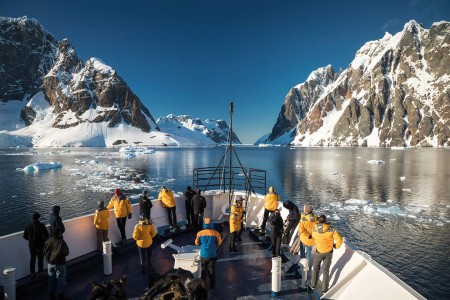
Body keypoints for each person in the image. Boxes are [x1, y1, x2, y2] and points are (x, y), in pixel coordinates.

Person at [308, 215, 343, 294]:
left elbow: (312, 236)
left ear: (319, 221)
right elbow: (339, 239)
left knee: (316, 268)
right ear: (325, 220)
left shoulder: (314, 229)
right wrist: (335, 246)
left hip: (319, 251)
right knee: (326, 270)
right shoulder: (332, 229)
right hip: (328, 252)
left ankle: (312, 285)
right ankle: (324, 290)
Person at [195, 218, 222, 289]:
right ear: (211, 224)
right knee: (212, 269)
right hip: (213, 255)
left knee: (203, 270)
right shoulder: (216, 233)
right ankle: (212, 285)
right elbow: (219, 243)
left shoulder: (199, 233)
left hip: (203, 255)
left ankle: (203, 285)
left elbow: (197, 243)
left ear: (204, 224)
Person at [44, 227, 69, 300]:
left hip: (50, 264)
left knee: (51, 279)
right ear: (59, 234)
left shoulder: (47, 241)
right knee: (61, 279)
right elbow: (66, 252)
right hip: (60, 264)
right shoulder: (61, 242)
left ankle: (51, 295)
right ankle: (60, 295)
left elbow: (44, 252)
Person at [23, 212, 49, 278]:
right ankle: (40, 272)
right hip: (40, 246)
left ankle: (32, 273)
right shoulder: (42, 225)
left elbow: (24, 236)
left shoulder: (28, 226)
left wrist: (30, 240)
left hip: (31, 246)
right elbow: (46, 235)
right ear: (38, 218)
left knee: (32, 259)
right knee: (40, 259)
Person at [299, 203, 318, 268]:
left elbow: (300, 230)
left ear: (306, 210)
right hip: (312, 239)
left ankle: (302, 264)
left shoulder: (303, 219)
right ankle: (308, 267)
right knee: (309, 253)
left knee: (302, 251)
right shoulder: (315, 218)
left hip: (304, 238)